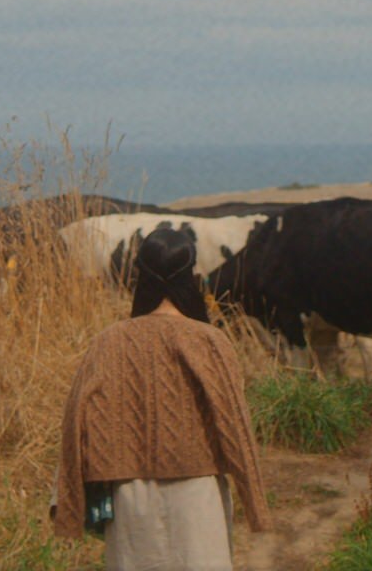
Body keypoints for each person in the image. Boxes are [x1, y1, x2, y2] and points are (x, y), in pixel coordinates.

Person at [52, 228, 271, 569]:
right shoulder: (210, 341)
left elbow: (74, 421)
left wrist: (68, 504)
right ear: (192, 275)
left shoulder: (109, 341)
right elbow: (235, 425)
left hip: (130, 496)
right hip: (198, 496)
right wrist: (255, 504)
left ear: (139, 276)